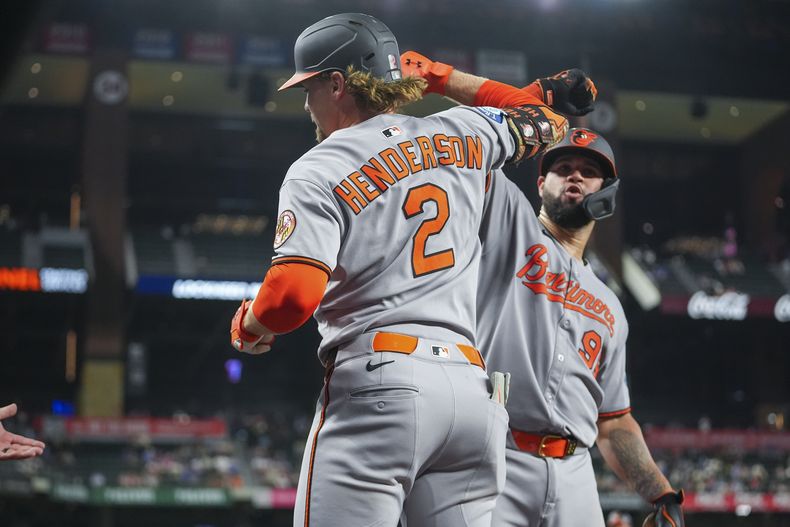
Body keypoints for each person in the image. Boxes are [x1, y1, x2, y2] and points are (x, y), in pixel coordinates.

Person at [228, 13, 569, 527]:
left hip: (381, 386)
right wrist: (442, 78)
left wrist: (250, 324)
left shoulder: (320, 165)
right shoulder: (461, 128)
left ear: (338, 84)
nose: (305, 102)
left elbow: (292, 298)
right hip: (473, 395)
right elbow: (546, 118)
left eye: (310, 86)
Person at [401, 52, 685, 527]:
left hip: (576, 475)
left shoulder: (611, 307)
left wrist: (659, 493)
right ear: (540, 183)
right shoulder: (509, 223)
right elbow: (485, 127)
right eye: (562, 167)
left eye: (587, 169)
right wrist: (442, 78)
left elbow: (613, 424)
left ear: (607, 192)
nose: (574, 173)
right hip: (494, 455)